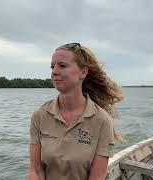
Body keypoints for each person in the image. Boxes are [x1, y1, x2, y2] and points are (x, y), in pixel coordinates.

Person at [29, 43, 123, 180]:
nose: (54, 71)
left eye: (62, 65)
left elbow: (97, 176)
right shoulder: (40, 116)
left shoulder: (102, 121)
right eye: (52, 66)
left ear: (83, 72)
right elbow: (36, 171)